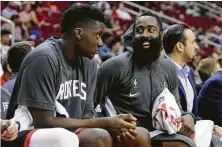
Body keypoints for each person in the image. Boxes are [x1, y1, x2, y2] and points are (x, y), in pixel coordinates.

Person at [7, 4, 139, 147]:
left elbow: (87, 115)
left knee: (137, 135)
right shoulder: (44, 58)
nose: (101, 43)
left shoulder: (90, 63)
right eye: (98, 35)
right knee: (97, 138)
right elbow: (43, 121)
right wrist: (105, 123)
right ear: (78, 33)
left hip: (69, 131)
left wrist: (114, 126)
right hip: (28, 132)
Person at [95, 11, 196, 146]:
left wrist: (189, 116)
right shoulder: (114, 66)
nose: (145, 35)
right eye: (139, 30)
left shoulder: (168, 68)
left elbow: (176, 108)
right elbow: (90, 105)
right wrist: (110, 124)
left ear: (160, 35)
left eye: (151, 30)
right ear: (133, 35)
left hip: (158, 132)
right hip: (128, 133)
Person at [162, 24, 200, 118]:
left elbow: (193, 114)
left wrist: (212, 127)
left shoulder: (189, 72)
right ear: (180, 47)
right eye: (193, 42)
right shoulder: (159, 71)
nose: (196, 47)